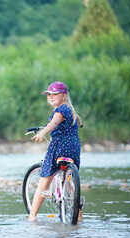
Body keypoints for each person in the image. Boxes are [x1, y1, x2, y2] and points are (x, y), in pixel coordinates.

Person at [28, 81, 84, 222]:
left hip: (60, 147)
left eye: (55, 94)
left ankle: (32, 216)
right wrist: (80, 124)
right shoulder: (70, 110)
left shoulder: (59, 111)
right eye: (49, 95)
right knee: (71, 183)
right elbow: (78, 120)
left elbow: (53, 124)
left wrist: (42, 133)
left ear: (64, 96)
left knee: (44, 181)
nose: (51, 97)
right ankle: (79, 218)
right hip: (74, 148)